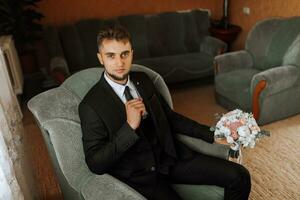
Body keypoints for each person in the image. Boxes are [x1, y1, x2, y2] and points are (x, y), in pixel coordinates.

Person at [79, 25, 251, 200]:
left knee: (240, 176)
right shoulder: (91, 105)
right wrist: (129, 127)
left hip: (170, 158)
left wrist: (214, 133)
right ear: (100, 58)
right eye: (111, 56)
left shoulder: (143, 80)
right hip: (140, 176)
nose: (119, 63)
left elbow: (170, 118)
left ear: (132, 53)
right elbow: (95, 163)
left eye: (125, 54)